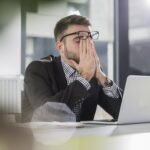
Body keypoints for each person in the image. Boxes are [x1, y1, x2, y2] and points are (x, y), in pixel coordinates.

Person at [22, 15, 122, 122]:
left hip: (81, 138)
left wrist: (102, 77)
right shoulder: (37, 69)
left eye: (89, 38)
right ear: (60, 47)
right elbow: (48, 114)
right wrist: (84, 78)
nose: (87, 44)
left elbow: (122, 112)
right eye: (78, 39)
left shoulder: (93, 72)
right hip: (38, 137)